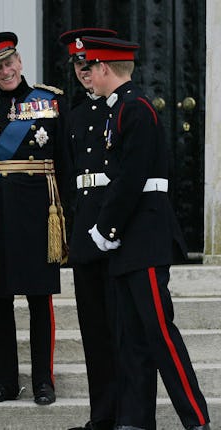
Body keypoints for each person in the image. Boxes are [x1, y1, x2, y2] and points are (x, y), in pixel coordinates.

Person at [81, 36, 211, 430]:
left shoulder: (134, 110)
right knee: (131, 337)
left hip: (144, 238)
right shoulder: (118, 108)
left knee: (159, 334)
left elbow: (130, 179)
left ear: (105, 68)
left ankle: (196, 419)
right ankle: (135, 420)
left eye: (91, 67)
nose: (87, 74)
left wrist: (105, 229)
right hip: (128, 241)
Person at [0, 32, 67, 406]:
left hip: (40, 209)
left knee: (40, 298)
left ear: (20, 62)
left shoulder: (50, 100)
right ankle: (5, 380)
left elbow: (65, 159)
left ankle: (44, 380)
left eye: (8, 63)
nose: (4, 71)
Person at [58, 27, 119, 430]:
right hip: (85, 230)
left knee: (121, 330)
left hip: (118, 230)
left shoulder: (125, 107)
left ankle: (128, 415)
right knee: (94, 333)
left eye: (89, 63)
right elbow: (66, 173)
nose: (83, 70)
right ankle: (101, 417)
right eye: (78, 64)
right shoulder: (73, 114)